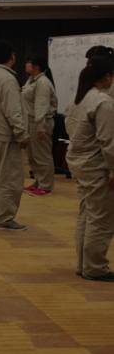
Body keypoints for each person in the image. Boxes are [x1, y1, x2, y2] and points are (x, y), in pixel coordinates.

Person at [64, 56, 114, 282]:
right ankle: (95, 267)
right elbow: (108, 141)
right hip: (96, 167)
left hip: (79, 163)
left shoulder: (79, 98)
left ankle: (83, 264)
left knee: (87, 214)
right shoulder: (102, 102)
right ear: (107, 77)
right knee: (101, 218)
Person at [0, 42, 29, 231]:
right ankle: (3, 218)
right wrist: (22, 134)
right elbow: (13, 111)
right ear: (12, 57)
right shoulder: (7, 79)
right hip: (5, 135)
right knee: (9, 178)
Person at [21, 56, 58, 196]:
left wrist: (40, 127)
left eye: (28, 62)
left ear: (36, 66)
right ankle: (38, 181)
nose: (26, 64)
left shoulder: (42, 82)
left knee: (42, 155)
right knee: (33, 155)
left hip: (40, 122)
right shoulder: (31, 80)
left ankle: (46, 185)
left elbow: (41, 106)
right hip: (30, 121)